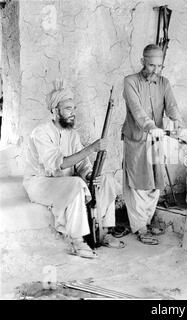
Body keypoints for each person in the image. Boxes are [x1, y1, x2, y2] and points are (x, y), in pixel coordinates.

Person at [23, 80, 122, 259]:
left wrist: (90, 174)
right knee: (75, 184)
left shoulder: (73, 135)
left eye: (73, 108)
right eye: (68, 108)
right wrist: (91, 148)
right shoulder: (41, 132)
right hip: (41, 183)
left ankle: (104, 231)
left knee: (105, 179)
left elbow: (82, 163)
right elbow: (57, 165)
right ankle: (77, 241)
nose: (73, 113)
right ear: (55, 110)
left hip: (66, 182)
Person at [122, 44, 183, 245]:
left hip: (155, 140)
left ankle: (146, 222)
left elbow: (172, 106)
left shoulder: (164, 83)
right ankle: (140, 227)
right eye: (150, 65)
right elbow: (137, 111)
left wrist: (177, 122)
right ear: (142, 62)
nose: (154, 70)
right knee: (138, 184)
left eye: (159, 66)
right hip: (136, 139)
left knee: (154, 184)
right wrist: (150, 126)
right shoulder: (130, 82)